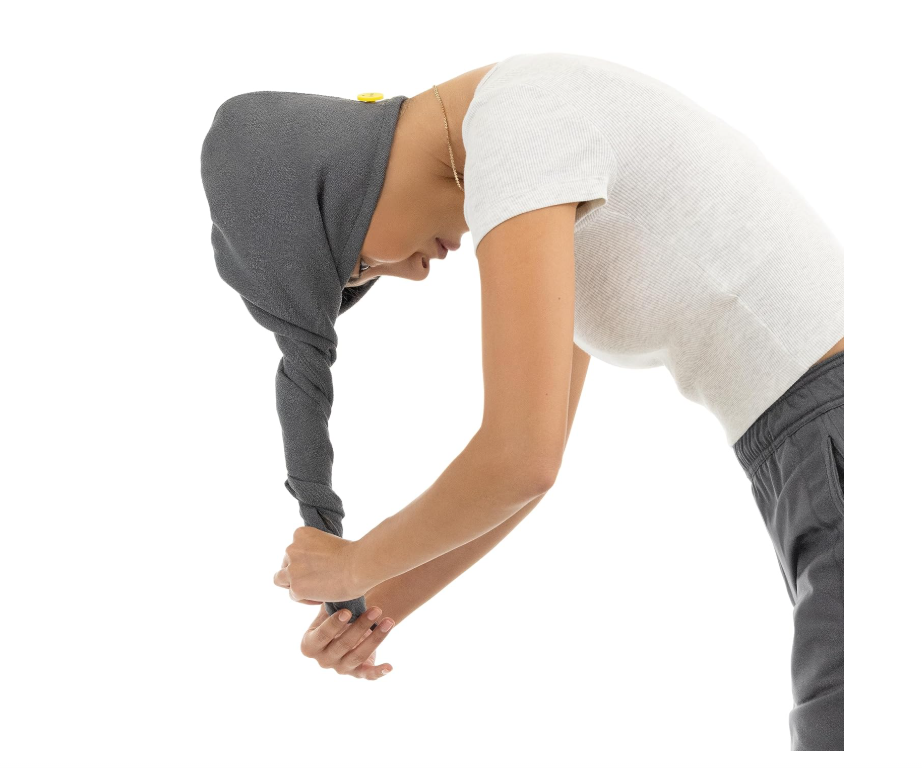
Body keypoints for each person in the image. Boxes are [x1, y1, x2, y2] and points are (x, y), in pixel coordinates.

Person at [202, 52, 844, 751]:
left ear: (338, 191)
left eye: (358, 266)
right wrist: (371, 611)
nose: (408, 275)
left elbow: (520, 459)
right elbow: (527, 472)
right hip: (816, 446)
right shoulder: (531, 154)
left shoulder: (518, 123)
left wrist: (356, 564)